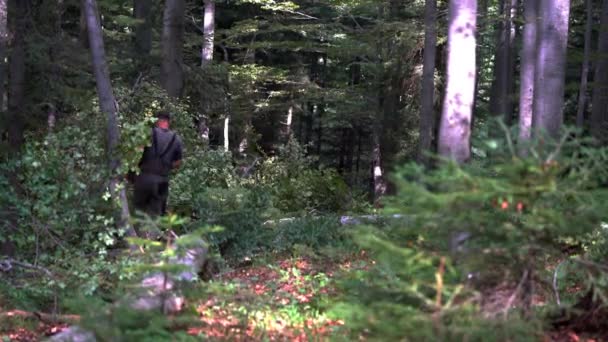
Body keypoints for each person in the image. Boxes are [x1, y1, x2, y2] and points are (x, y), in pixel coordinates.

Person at [133, 111, 184, 217]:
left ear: (157, 121)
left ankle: (137, 232)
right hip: (162, 181)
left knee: (139, 213)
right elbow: (178, 162)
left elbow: (137, 152)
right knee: (156, 214)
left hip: (144, 178)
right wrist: (168, 166)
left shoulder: (148, 133)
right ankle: (153, 233)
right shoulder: (176, 139)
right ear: (168, 122)